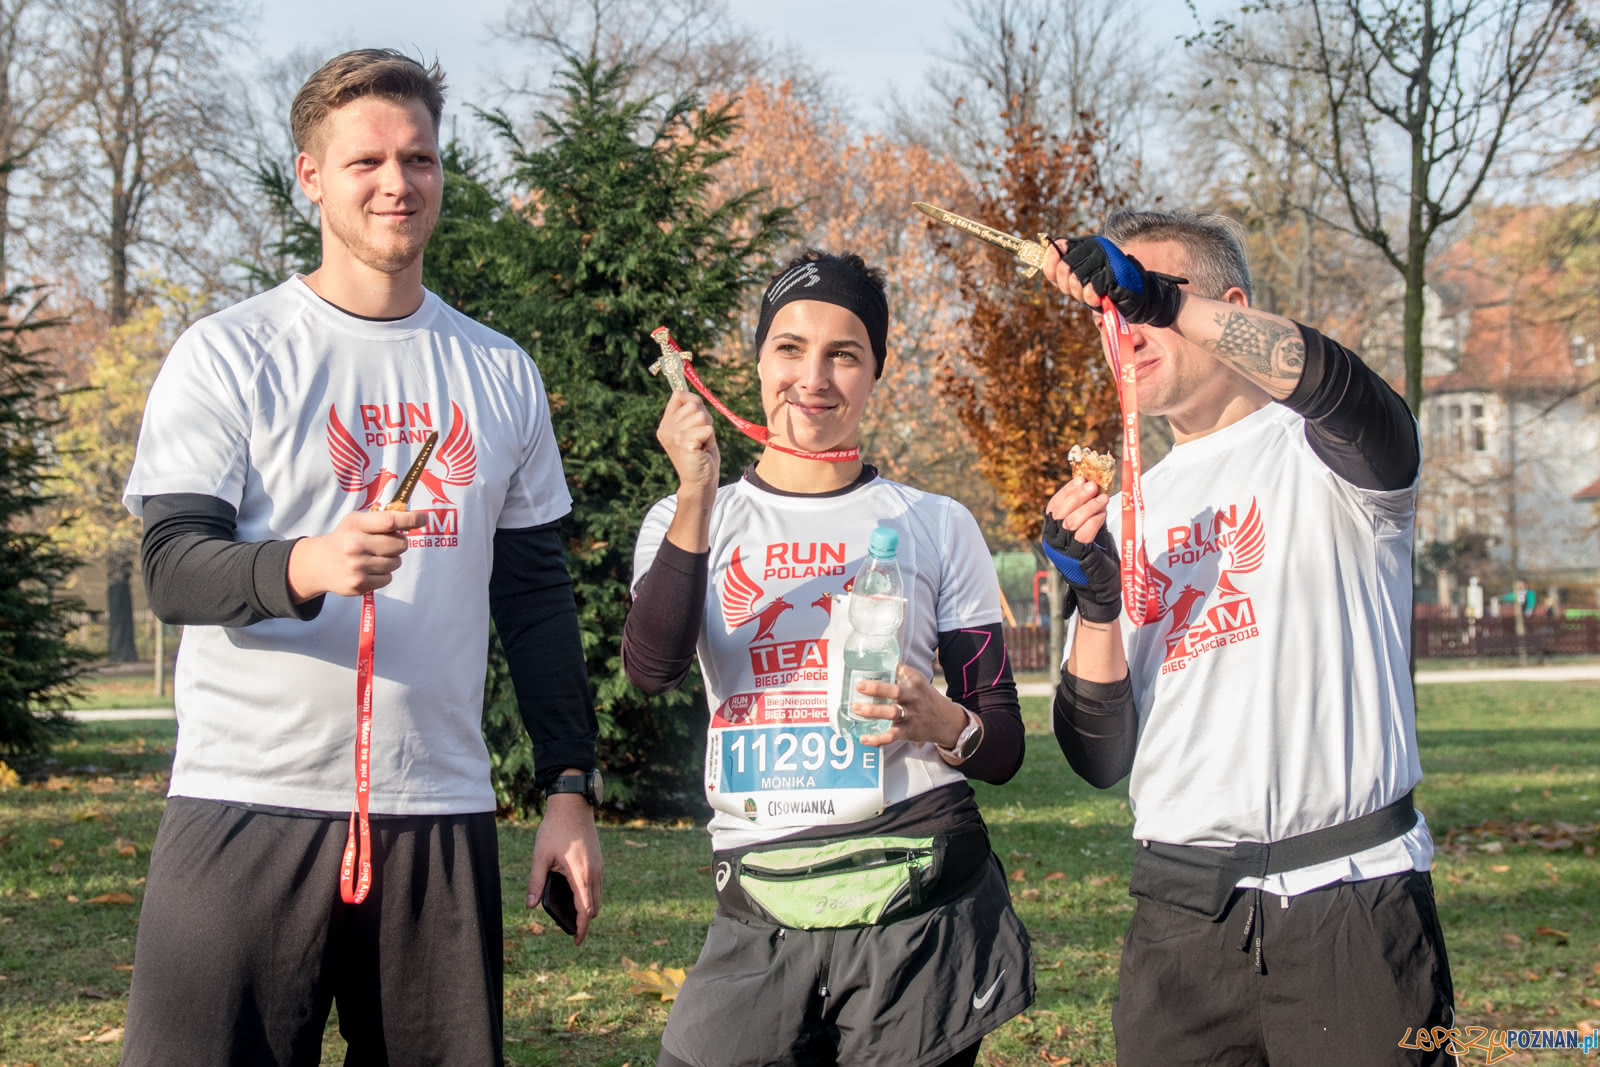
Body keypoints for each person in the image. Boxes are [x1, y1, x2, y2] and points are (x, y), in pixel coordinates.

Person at [119, 49, 602, 1066]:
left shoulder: (498, 371)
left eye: (419, 158)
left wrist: (569, 787)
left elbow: (536, 601)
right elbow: (170, 565)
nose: (398, 182)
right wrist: (305, 565)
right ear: (310, 175)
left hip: (438, 810)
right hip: (246, 800)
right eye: (367, 160)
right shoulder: (230, 352)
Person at [1038, 211, 1454, 1066]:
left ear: (1227, 305)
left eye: (1142, 297)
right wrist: (1100, 605)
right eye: (1108, 309)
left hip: (1352, 905)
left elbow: (1340, 385)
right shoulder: (1126, 508)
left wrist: (1156, 298)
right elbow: (1100, 756)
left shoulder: (1328, 453)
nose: (1122, 322)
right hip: (1181, 924)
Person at [623, 250, 1033, 1067]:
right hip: (758, 891)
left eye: (844, 353)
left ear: (875, 371)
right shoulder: (689, 514)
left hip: (916, 894)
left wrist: (941, 718)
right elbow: (652, 668)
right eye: (790, 347)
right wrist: (699, 493)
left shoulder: (936, 523)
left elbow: (1004, 744)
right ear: (757, 360)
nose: (813, 376)